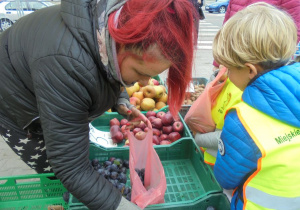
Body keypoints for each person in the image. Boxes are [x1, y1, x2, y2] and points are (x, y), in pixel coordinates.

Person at [0, 0, 197, 209]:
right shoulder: (67, 64)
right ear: (118, 46)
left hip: (55, 87)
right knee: (53, 168)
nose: (146, 82)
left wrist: (121, 101)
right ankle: (59, 198)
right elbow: (70, 167)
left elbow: (109, 72)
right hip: (18, 106)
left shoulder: (107, 32)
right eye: (140, 73)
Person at [212, 2, 300, 209]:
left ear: (250, 70)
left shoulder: (243, 119)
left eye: (230, 70)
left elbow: (226, 177)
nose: (228, 76)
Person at [212, 0, 300, 70]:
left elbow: (293, 32)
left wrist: (266, 64)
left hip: (263, 63)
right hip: (236, 64)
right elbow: (225, 31)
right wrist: (219, 62)